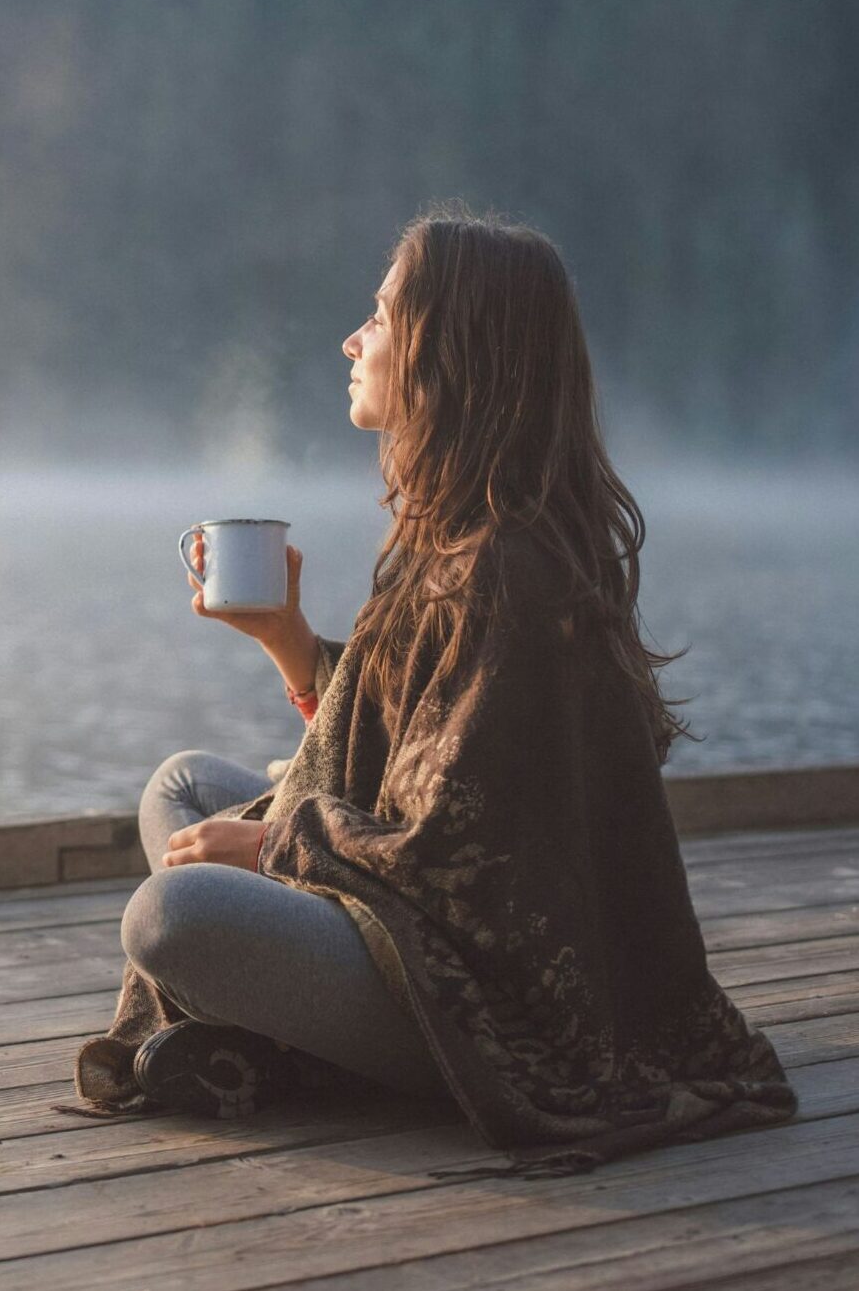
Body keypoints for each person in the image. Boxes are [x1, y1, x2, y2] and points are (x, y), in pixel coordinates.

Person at [55, 200, 796, 1179]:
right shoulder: (457, 536)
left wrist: (274, 846)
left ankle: (307, 1046)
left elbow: (458, 856)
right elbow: (401, 750)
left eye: (380, 316)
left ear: (449, 352)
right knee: (184, 786)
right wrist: (286, 640)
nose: (352, 340)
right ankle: (277, 1024)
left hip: (492, 1003)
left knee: (172, 917)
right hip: (411, 922)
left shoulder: (509, 571)